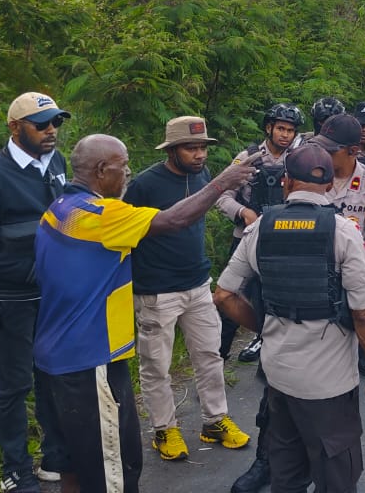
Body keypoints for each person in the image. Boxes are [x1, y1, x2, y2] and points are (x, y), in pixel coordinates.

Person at [33, 135, 253, 493]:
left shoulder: (61, 207)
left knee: (72, 462)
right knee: (112, 469)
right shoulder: (101, 215)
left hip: (55, 356)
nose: (127, 174)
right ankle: (165, 431)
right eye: (123, 166)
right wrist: (225, 182)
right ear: (103, 170)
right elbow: (173, 220)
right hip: (91, 359)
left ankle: (215, 420)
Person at [213, 143, 365, 493]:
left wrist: (265, 326)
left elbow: (223, 295)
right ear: (328, 185)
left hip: (279, 379)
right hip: (328, 387)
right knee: (336, 478)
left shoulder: (261, 227)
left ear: (286, 183)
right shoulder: (343, 233)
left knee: (287, 476)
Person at [0, 91, 73, 493]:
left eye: (56, 122)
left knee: (52, 377)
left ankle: (54, 455)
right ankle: (15, 469)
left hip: (54, 300)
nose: (51, 131)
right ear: (14, 127)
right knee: (14, 385)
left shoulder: (56, 164)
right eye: (41, 124)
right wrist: (32, 273)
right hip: (12, 302)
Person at [123, 116, 252, 462]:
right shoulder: (144, 185)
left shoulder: (203, 177)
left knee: (209, 356)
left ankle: (215, 420)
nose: (198, 155)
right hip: (156, 291)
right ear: (172, 149)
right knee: (156, 364)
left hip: (197, 283)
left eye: (202, 148)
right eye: (190, 148)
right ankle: (164, 429)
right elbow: (130, 235)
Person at [216, 102, 303, 363]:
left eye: (290, 130)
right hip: (246, 239)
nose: (285, 135)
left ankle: (277, 357)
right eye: (280, 129)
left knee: (282, 301)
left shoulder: (298, 160)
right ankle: (218, 360)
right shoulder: (248, 157)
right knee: (230, 298)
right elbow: (222, 194)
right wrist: (244, 213)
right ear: (269, 128)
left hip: (284, 242)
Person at [313, 112, 365, 377]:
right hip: (316, 276)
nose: (323, 155)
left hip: (356, 276)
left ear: (353, 151)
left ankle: (363, 357)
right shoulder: (311, 177)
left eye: (331, 151)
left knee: (359, 325)